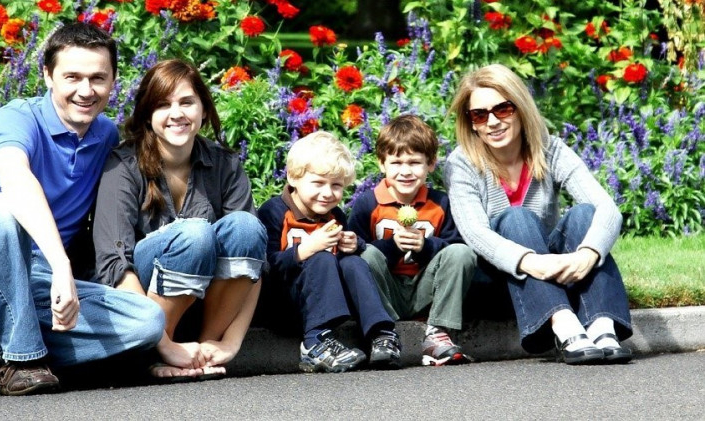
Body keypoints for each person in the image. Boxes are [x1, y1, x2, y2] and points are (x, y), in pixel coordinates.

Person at [0, 22, 166, 398]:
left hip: (36, 284)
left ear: (113, 81)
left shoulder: (105, 135)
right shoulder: (16, 119)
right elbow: (16, 180)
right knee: (1, 208)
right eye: (72, 77)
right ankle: (24, 361)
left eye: (98, 78)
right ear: (48, 75)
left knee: (146, 321)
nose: (86, 90)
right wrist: (61, 266)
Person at [443, 63, 633, 365]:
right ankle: (565, 328)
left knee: (586, 214)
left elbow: (607, 208)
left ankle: (601, 327)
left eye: (502, 109)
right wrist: (530, 262)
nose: (492, 122)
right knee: (516, 218)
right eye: (479, 115)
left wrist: (588, 253)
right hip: (498, 281)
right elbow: (475, 233)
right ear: (471, 123)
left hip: (551, 274)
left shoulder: (549, 149)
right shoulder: (461, 163)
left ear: (520, 109)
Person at [92, 59, 267, 382]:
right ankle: (154, 354)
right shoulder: (123, 166)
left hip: (204, 309)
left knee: (247, 227)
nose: (177, 114)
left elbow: (254, 264)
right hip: (139, 310)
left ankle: (203, 350)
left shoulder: (225, 164)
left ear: (203, 109)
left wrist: (230, 343)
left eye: (187, 102)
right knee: (195, 234)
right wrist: (162, 343)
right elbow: (114, 265)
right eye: (163, 105)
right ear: (147, 114)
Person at [258, 131, 402, 373]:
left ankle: (380, 333)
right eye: (318, 183)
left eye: (336, 186)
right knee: (322, 258)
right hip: (284, 305)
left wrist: (353, 245)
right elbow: (266, 267)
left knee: (353, 263)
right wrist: (306, 249)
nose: (327, 193)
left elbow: (343, 265)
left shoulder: (335, 216)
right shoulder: (273, 212)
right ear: (293, 177)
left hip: (327, 303)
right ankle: (314, 343)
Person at [349, 114, 477, 366]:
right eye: (396, 162)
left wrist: (425, 246)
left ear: (431, 164)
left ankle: (437, 332)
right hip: (386, 292)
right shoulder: (367, 204)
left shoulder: (440, 203)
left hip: (425, 290)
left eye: (415, 162)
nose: (405, 171)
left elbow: (454, 247)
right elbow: (353, 254)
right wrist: (392, 246)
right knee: (365, 255)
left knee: (462, 253)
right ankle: (383, 333)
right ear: (382, 164)